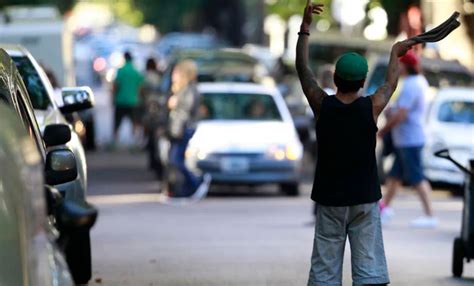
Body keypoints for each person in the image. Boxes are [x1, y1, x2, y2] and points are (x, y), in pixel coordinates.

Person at [296, 3, 416, 285]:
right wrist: (394, 54)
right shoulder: (371, 106)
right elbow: (390, 85)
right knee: (369, 272)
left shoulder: (322, 104)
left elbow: (303, 69)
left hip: (329, 200)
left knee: (325, 273)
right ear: (363, 82)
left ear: (335, 79)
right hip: (364, 198)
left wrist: (305, 27)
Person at [378, 50, 438, 228]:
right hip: (406, 139)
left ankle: (430, 215)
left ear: (405, 65)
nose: (397, 67)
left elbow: (402, 114)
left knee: (417, 177)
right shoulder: (417, 82)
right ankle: (385, 209)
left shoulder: (412, 84)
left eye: (399, 64)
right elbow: (401, 109)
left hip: (409, 139)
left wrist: (383, 130)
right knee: (394, 176)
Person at [166, 60, 207, 197]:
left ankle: (195, 183)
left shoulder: (190, 89)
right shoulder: (181, 89)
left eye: (176, 72)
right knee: (174, 160)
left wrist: (175, 104)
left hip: (183, 129)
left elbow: (186, 110)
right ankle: (186, 186)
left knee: (176, 159)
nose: (173, 75)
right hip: (178, 129)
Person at [112, 51, 144, 145]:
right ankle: (135, 142)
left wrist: (113, 97)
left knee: (117, 123)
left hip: (120, 100)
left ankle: (115, 142)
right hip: (133, 101)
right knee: (134, 122)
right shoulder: (136, 72)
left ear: (124, 58)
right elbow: (140, 86)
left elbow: (116, 86)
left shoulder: (120, 71)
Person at [141, 57, 166, 177]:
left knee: (151, 138)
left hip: (150, 110)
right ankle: (156, 164)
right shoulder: (160, 77)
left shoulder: (146, 77)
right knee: (155, 139)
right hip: (158, 110)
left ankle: (153, 162)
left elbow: (141, 92)